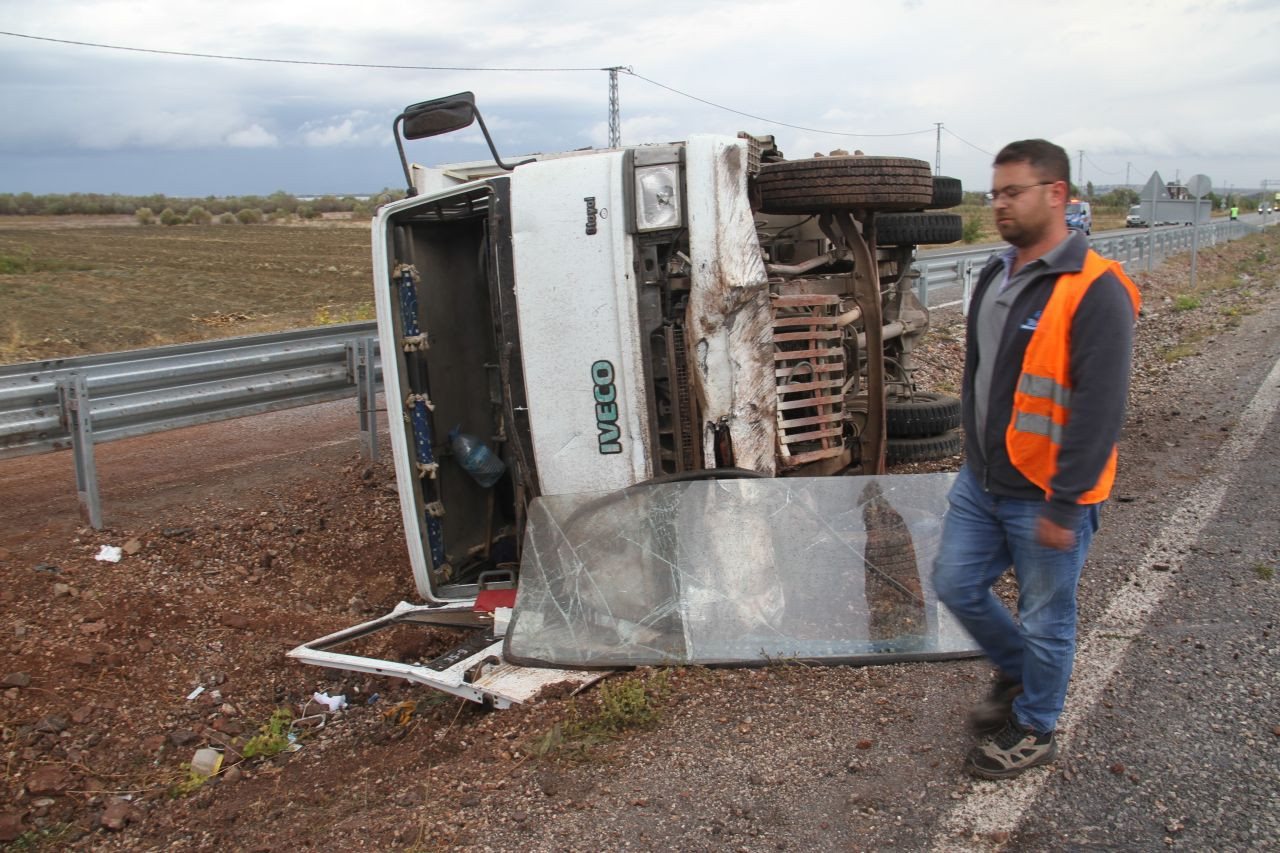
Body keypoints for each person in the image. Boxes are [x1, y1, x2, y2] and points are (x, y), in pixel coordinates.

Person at [932, 139, 1141, 780]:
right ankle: (1020, 672)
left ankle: (1035, 725)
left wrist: (1065, 498)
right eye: (994, 193)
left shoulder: (1096, 289)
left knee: (1048, 618)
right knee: (955, 583)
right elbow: (980, 377)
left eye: (1012, 192)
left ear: (1055, 193)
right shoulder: (997, 274)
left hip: (1049, 491)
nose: (998, 205)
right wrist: (974, 456)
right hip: (984, 479)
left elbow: (1100, 408)